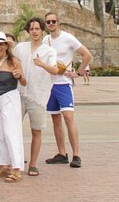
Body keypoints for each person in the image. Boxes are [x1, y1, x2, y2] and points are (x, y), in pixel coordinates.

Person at [43, 12, 91, 168]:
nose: (51, 24)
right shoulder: (46, 40)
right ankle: (62, 153)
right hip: (50, 84)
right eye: (48, 22)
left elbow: (86, 55)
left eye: (53, 21)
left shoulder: (68, 38)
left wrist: (78, 73)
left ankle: (76, 155)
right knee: (55, 119)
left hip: (64, 83)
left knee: (69, 118)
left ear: (59, 22)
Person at [15, 18, 57, 176]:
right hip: (19, 93)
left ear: (42, 31)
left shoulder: (49, 51)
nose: (34, 32)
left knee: (36, 131)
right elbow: (13, 62)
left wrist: (42, 64)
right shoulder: (21, 48)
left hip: (38, 95)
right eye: (31, 29)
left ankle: (33, 164)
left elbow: (54, 70)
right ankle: (15, 162)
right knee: (13, 129)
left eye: (37, 29)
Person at [0, 31, 26, 182]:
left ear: (6, 46)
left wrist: (19, 76)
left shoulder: (14, 61)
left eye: (0, 44)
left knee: (11, 132)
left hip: (9, 97)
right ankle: (4, 165)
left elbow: (24, 82)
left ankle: (16, 169)